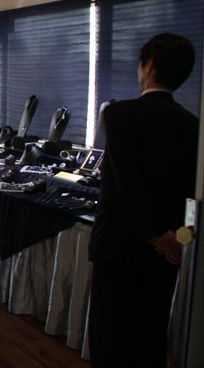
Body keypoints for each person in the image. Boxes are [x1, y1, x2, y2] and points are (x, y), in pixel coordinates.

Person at [88, 33, 198, 367]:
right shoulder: (193, 125)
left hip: (118, 247)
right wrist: (174, 238)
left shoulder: (119, 114)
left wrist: (156, 235)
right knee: (150, 335)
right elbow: (191, 194)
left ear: (148, 66)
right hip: (165, 253)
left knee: (109, 338)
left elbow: (128, 183)